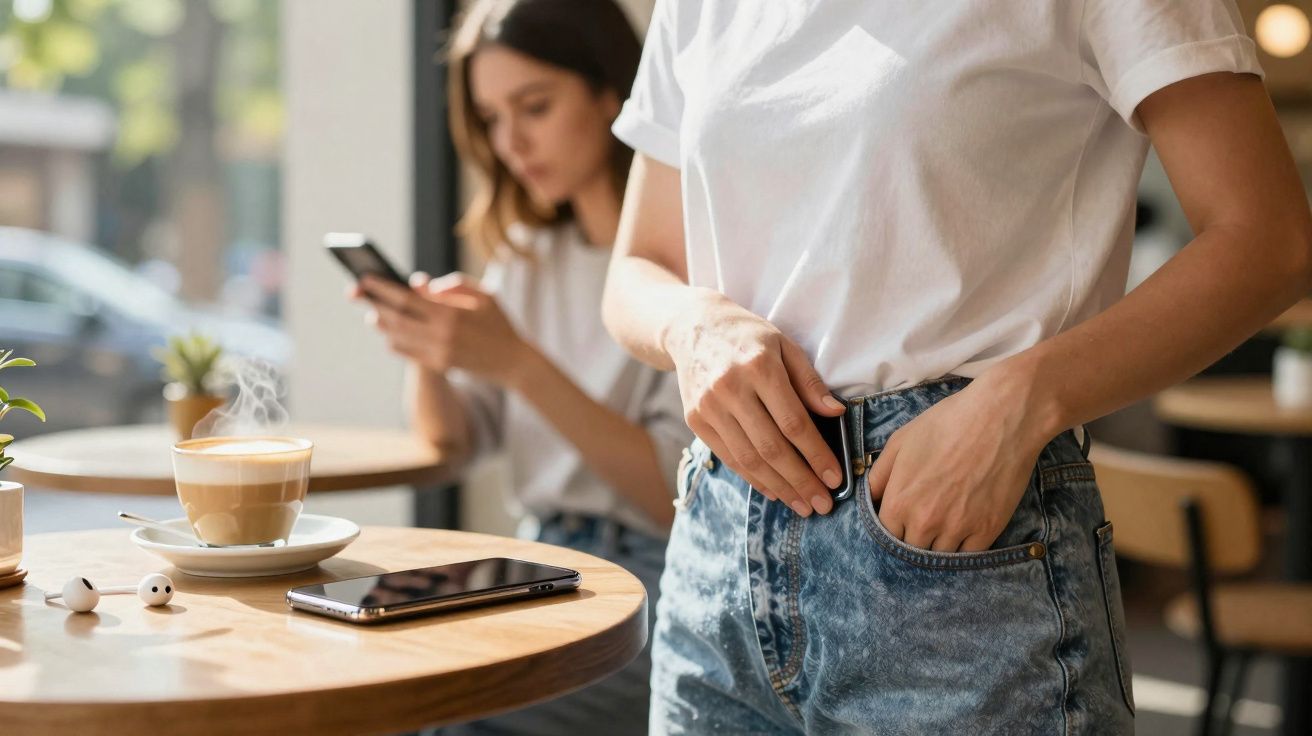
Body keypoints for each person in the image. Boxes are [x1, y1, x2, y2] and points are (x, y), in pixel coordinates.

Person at [602, 1, 1312, 733]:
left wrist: (1022, 401)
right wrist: (691, 328)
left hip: (957, 545)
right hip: (718, 552)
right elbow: (639, 267)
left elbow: (1268, 239)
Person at [351, 1, 689, 733]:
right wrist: (431, 352)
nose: (510, 143)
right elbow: (452, 446)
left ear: (613, 94)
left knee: (450, 717)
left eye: (533, 107)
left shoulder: (680, 275)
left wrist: (518, 364)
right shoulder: (531, 261)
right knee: (369, 672)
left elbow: (672, 499)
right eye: (491, 118)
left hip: (650, 576)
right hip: (534, 560)